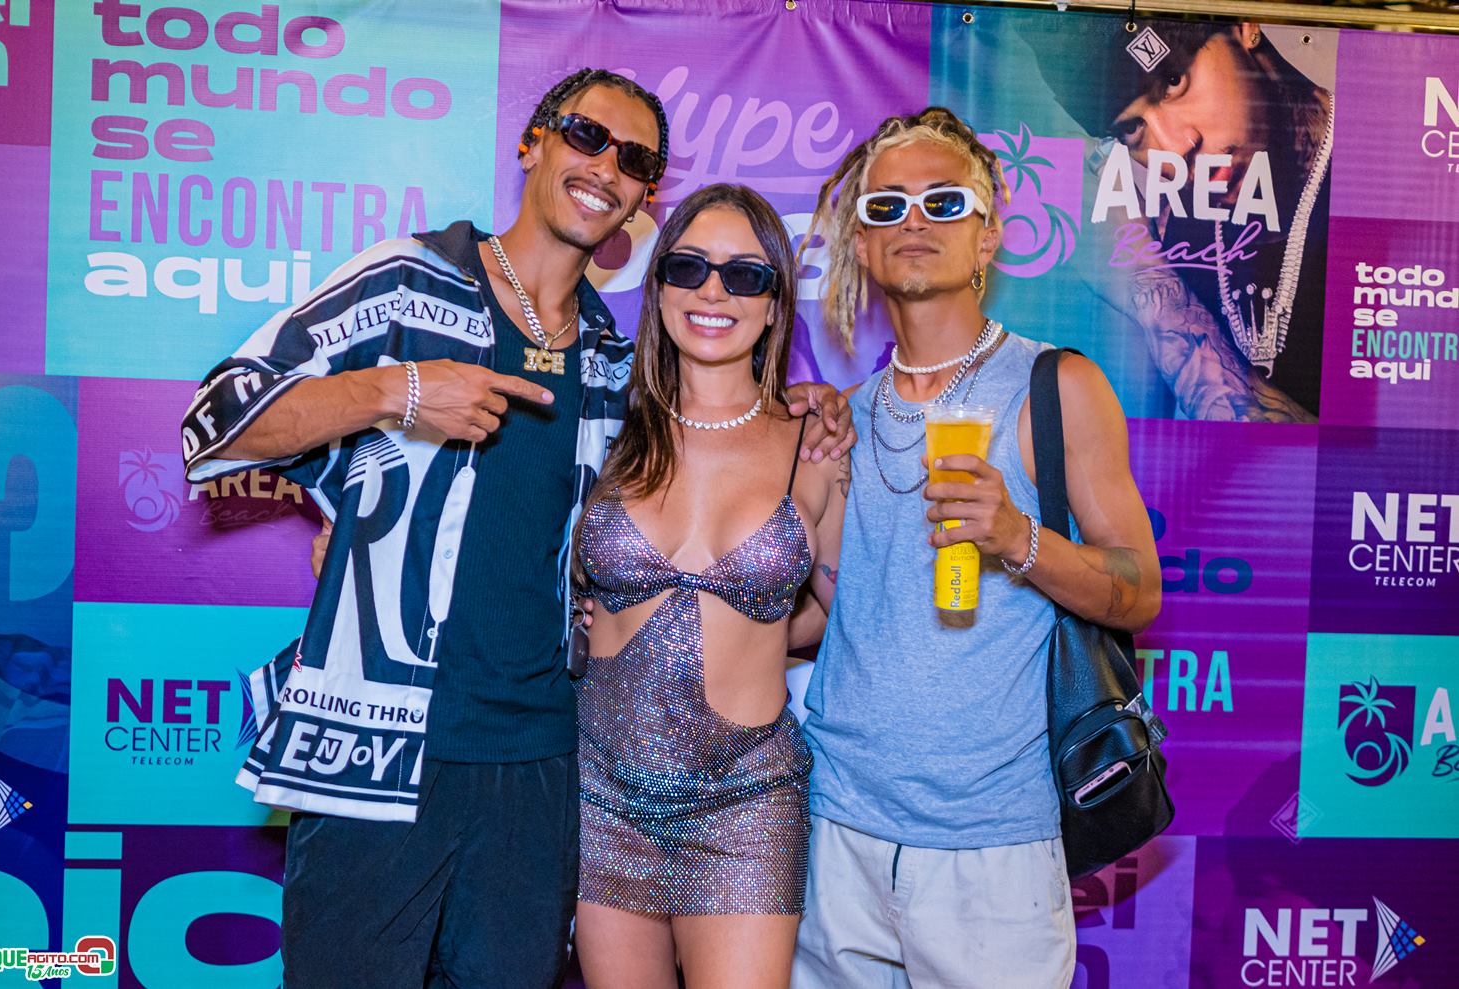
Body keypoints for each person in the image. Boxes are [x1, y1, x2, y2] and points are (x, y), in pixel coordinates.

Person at [181, 68, 851, 989]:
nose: (606, 166)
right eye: (586, 134)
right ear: (533, 141)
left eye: (635, 159)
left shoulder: (616, 362)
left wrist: (808, 405)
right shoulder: (409, 281)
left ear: (644, 198)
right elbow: (215, 423)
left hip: (542, 773)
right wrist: (399, 389)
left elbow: (697, 473)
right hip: (379, 751)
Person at [791, 107, 1162, 989]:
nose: (914, 221)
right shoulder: (849, 414)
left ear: (988, 236)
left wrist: (1020, 537)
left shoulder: (1056, 387)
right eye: (886, 207)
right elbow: (848, 611)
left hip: (992, 846)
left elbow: (1139, 588)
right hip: (836, 829)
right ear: (861, 245)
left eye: (944, 201)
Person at [572, 183, 849, 989]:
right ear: (657, 286)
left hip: (747, 802)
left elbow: (847, 617)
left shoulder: (816, 445)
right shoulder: (603, 425)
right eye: (688, 267)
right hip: (600, 794)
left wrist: (754, 629)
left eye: (745, 275)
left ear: (776, 303)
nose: (713, 292)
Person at [1028, 20, 1330, 421]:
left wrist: (1149, 276)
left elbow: (1380, 457)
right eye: (1132, 128)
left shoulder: (1382, 186)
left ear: (1244, 27)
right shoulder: (1178, 230)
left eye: (1172, 82)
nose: (1176, 147)